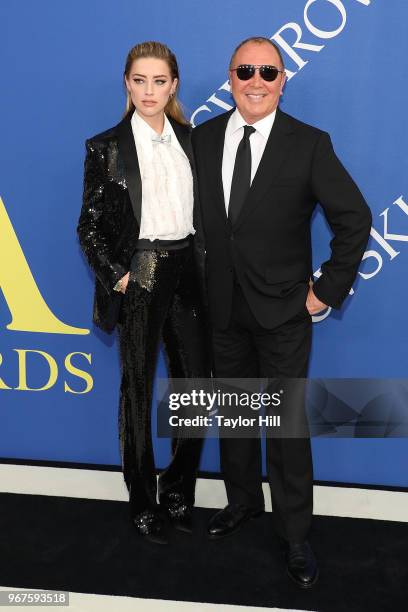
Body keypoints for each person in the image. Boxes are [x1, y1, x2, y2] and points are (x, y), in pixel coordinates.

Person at [192, 36, 372, 587]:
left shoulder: (309, 144)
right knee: (239, 417)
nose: (255, 81)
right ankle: (243, 501)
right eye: (245, 70)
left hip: (284, 313)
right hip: (222, 308)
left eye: (267, 72)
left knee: (286, 428)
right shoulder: (201, 138)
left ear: (283, 79)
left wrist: (325, 292)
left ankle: (294, 533)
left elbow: (355, 218)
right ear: (230, 76)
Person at [77, 41, 210, 545]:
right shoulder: (105, 146)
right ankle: (142, 501)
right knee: (136, 389)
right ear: (127, 84)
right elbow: (88, 227)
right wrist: (119, 273)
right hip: (142, 269)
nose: (149, 90)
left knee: (196, 384)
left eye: (159, 81)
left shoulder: (194, 141)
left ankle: (177, 490)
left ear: (174, 85)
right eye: (140, 80)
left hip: (188, 269)